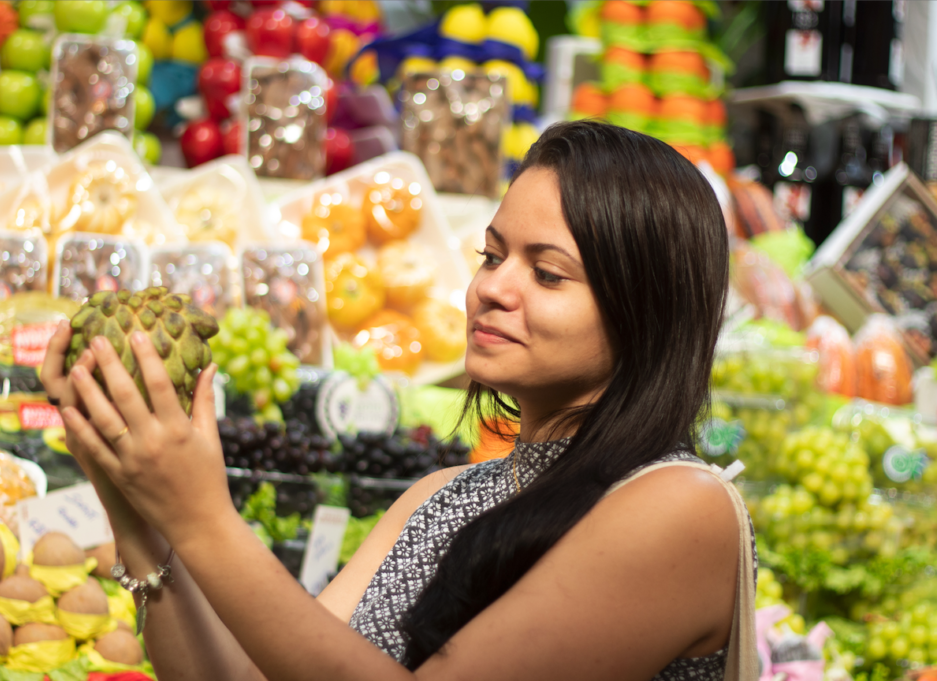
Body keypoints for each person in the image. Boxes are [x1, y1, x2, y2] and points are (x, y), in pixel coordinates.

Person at [41, 120, 758, 681]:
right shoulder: (442, 496)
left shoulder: (678, 505)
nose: (493, 288)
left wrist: (202, 515)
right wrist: (135, 505)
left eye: (546, 273)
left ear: (645, 311)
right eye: (492, 255)